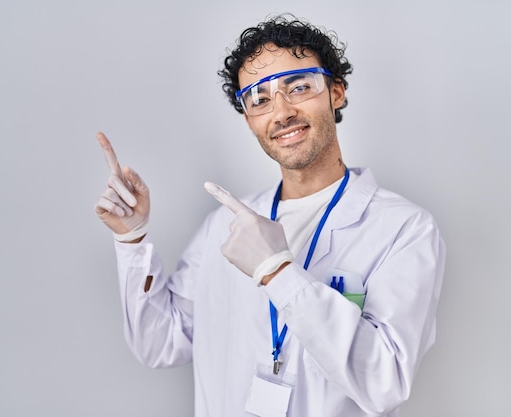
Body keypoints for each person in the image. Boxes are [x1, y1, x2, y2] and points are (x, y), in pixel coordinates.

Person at [94, 14, 445, 417]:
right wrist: (132, 239)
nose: (281, 112)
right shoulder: (222, 228)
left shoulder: (403, 229)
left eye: (299, 87)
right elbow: (159, 344)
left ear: (336, 92)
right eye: (259, 100)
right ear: (249, 120)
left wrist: (277, 270)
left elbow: (385, 380)